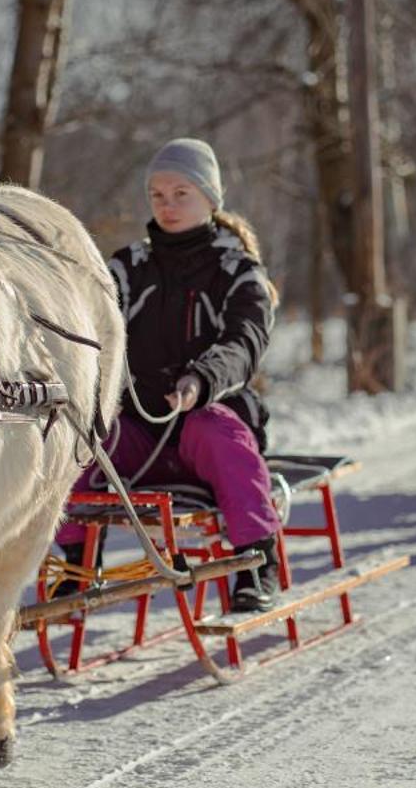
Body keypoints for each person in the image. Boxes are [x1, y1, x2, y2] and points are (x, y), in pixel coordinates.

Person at [55, 138, 281, 613]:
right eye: (158, 194)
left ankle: (256, 565)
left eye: (182, 193)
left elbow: (244, 342)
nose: (168, 205)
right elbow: (89, 326)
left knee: (214, 429)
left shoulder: (237, 270)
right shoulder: (127, 268)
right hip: (143, 426)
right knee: (81, 439)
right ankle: (76, 564)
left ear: (210, 199)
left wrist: (201, 381)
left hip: (206, 422)